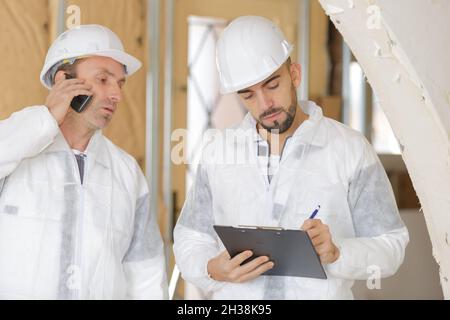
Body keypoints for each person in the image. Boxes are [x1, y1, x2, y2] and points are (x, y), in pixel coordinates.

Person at [173, 16, 409, 299]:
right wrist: (211, 268)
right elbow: (190, 238)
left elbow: (391, 247)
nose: (264, 104)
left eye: (272, 85)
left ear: (294, 75)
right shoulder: (218, 153)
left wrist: (338, 252)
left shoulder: (349, 150)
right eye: (248, 95)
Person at [0, 25, 167, 299]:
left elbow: (145, 273)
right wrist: (45, 118)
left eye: (120, 83)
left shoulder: (127, 173)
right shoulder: (15, 152)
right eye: (103, 80)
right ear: (63, 81)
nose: (116, 95)